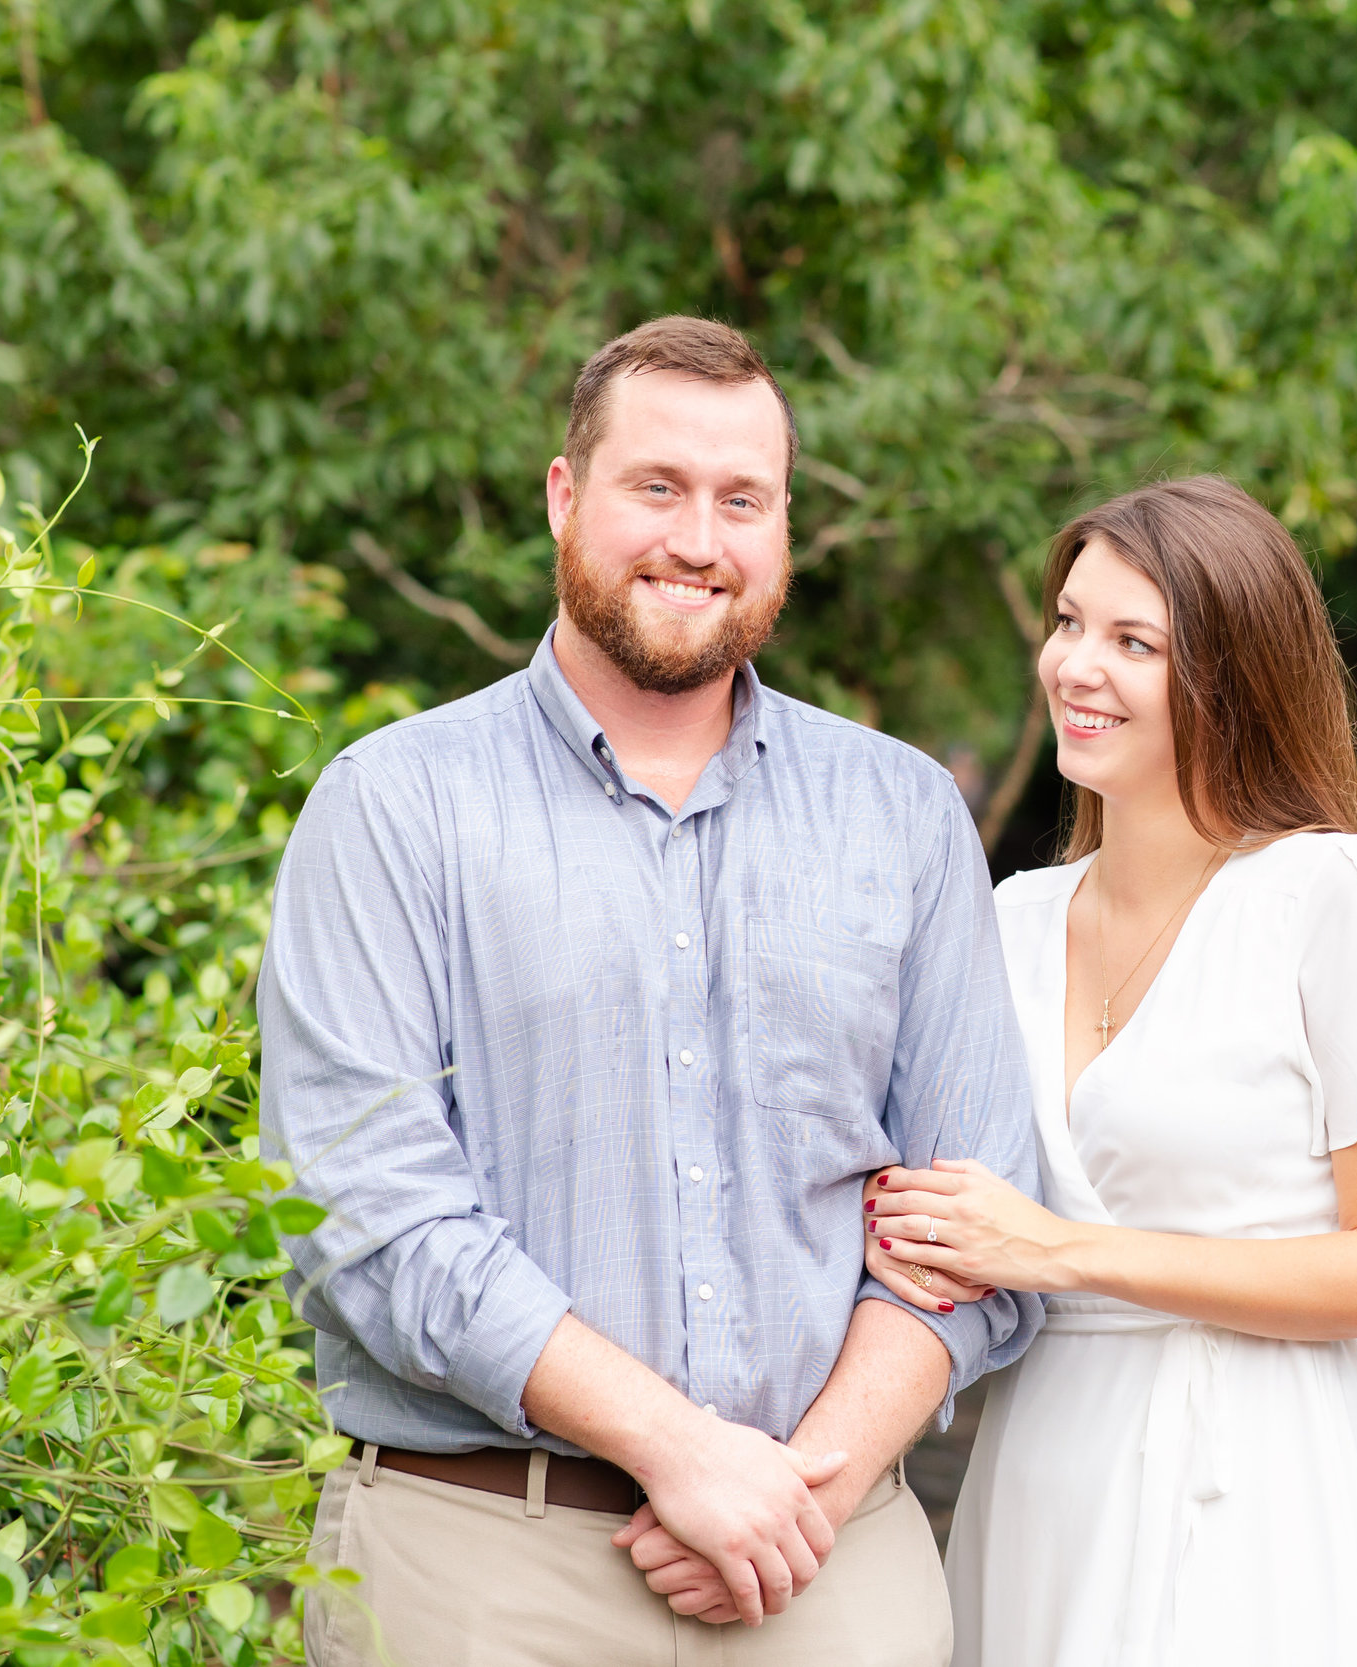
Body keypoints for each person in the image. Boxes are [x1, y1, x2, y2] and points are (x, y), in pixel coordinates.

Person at [259, 315, 1043, 1667]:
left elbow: (971, 1218)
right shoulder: (391, 807)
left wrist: (801, 1488)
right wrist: (682, 1450)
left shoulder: (905, 814)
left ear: (786, 523)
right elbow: (367, 1211)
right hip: (483, 1567)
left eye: (743, 499)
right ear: (567, 495)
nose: (699, 536)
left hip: (830, 1562)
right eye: (657, 487)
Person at [861, 476, 1357, 1667]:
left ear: (1232, 672)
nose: (1076, 665)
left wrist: (1056, 1250)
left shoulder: (1334, 896)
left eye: (1132, 641)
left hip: (1247, 1478)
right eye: (1066, 622)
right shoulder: (1007, 918)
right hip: (1037, 1471)